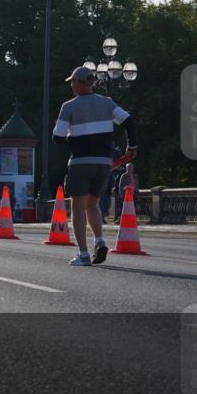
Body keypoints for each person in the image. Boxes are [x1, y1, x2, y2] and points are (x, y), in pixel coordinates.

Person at [52, 67, 138, 266]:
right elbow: (129, 121)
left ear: (80, 83)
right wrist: (132, 146)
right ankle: (99, 241)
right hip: (103, 164)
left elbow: (57, 138)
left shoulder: (69, 106)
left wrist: (68, 132)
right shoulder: (106, 103)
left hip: (80, 163)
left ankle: (83, 254)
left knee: (78, 207)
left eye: (72, 81)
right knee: (93, 204)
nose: (71, 85)